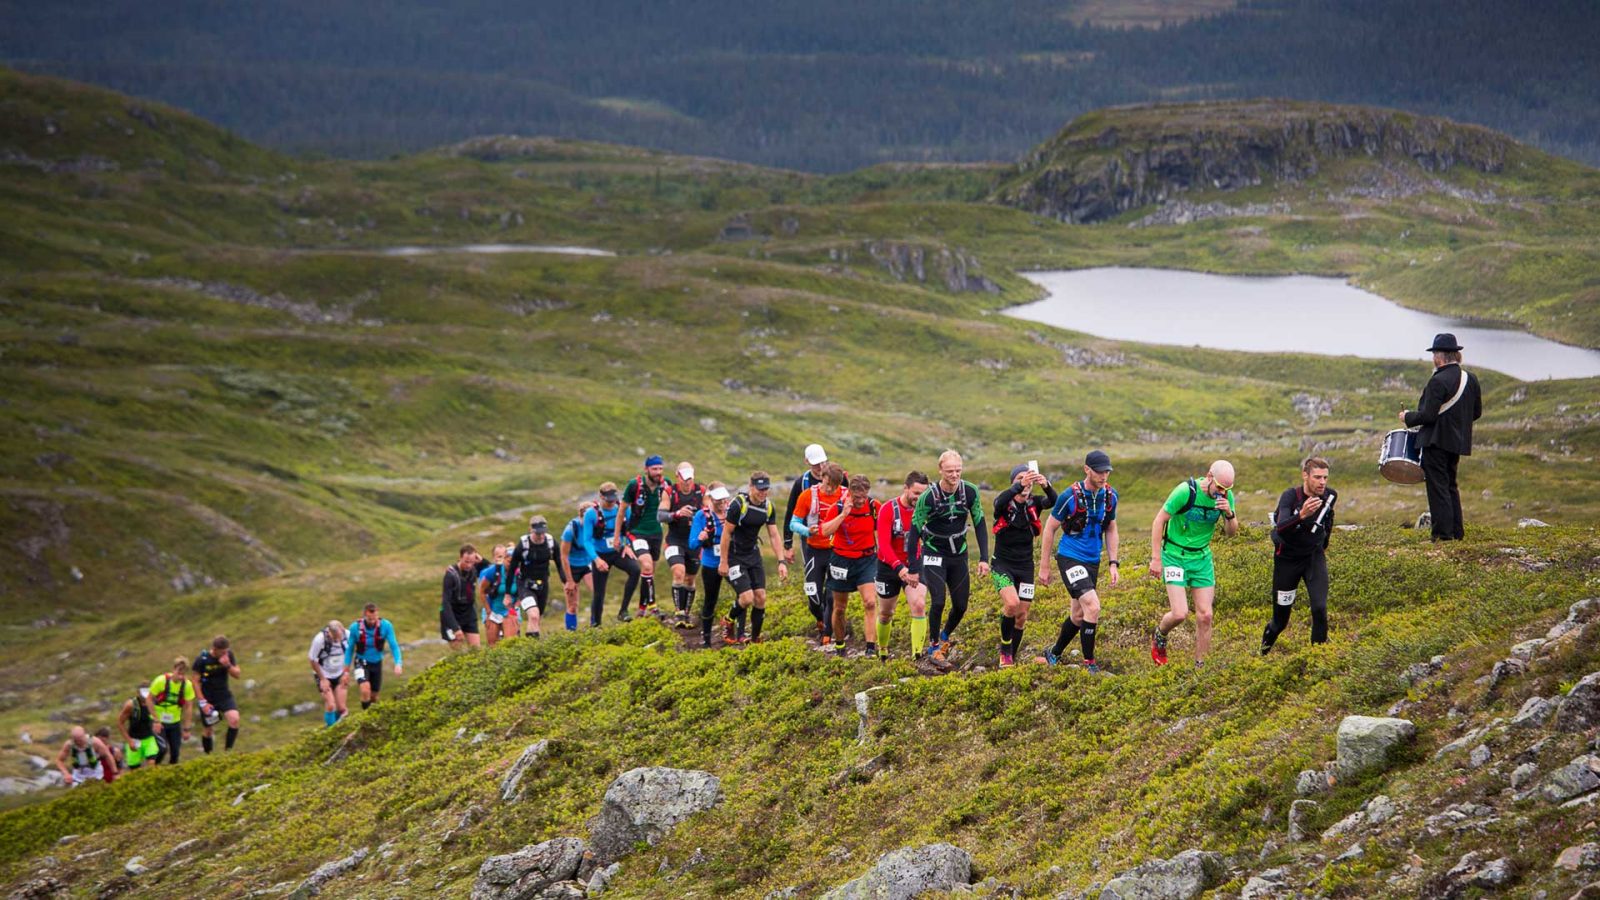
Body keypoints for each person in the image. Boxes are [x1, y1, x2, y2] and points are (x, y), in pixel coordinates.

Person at [1148, 461, 1239, 668]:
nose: (1222, 492)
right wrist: (1156, 558)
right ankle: (1160, 635)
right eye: (1220, 487)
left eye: (1228, 489)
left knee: (1206, 615)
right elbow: (1159, 520)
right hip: (1174, 555)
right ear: (1209, 477)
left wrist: (1229, 514)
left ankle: (1200, 667)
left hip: (1201, 558)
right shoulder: (1185, 491)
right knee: (1180, 613)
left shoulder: (1226, 497)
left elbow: (1231, 533)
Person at [904, 450, 989, 666]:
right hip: (934, 553)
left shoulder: (969, 491)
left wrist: (984, 558)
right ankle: (933, 647)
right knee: (939, 600)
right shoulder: (928, 497)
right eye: (950, 471)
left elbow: (979, 521)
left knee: (961, 605)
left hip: (958, 554)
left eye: (958, 470)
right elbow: (914, 530)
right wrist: (913, 568)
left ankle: (944, 637)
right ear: (940, 470)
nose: (954, 475)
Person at [1038, 451, 1119, 673]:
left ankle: (1053, 653)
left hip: (1093, 560)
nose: (1104, 476)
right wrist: (1044, 567)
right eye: (1099, 472)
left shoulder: (1111, 496)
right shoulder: (1069, 496)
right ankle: (1090, 664)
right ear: (1087, 470)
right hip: (1070, 557)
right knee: (1093, 606)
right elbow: (1050, 528)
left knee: (1078, 615)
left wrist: (1113, 562)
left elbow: (1111, 528)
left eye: (1107, 472)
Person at [1400, 333, 1483, 542]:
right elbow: (1476, 412)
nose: (1433, 358)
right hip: (1456, 443)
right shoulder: (1470, 379)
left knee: (1438, 489)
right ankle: (1457, 532)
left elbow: (1428, 415)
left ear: (1440, 356)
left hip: (1435, 442)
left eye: (1434, 353)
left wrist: (1407, 416)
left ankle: (1442, 535)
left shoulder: (1437, 381)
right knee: (1450, 486)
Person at [1262, 457, 1336, 654]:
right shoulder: (1290, 497)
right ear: (1305, 475)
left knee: (1319, 609)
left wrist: (1322, 544)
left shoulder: (1329, 496)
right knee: (1280, 621)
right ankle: (1262, 653)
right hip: (1287, 562)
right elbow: (1281, 528)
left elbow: (1328, 520)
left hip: (1313, 558)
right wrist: (1301, 515)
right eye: (1317, 477)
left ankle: (1317, 658)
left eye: (1325, 478)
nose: (1322, 482)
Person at [990, 463, 1057, 669]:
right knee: (1011, 603)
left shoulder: (1035, 503)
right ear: (1013, 482)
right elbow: (997, 501)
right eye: (1020, 477)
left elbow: (1054, 501)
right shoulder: (1004, 503)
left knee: (1021, 615)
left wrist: (1046, 485)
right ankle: (1005, 649)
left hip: (1025, 566)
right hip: (1002, 564)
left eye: (1028, 477)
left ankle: (1012, 657)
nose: (1025, 481)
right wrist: (1019, 485)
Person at [718, 472, 790, 643]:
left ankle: (756, 638)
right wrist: (723, 561)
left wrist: (781, 561)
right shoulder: (738, 505)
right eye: (759, 489)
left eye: (765, 489)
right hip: (735, 555)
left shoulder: (768, 507)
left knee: (761, 597)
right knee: (746, 598)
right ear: (751, 487)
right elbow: (726, 534)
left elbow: (773, 535)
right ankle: (728, 620)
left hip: (753, 554)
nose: (762, 492)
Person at [819, 474, 882, 657]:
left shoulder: (873, 506)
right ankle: (839, 645)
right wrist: (843, 514)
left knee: (870, 602)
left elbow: (883, 530)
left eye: (863, 497)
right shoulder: (838, 507)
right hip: (841, 560)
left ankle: (870, 648)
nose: (860, 501)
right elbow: (825, 531)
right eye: (856, 498)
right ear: (850, 493)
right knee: (839, 607)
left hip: (866, 559)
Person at [875, 471, 932, 661]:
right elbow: (883, 544)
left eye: (923, 494)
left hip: (915, 564)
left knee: (919, 604)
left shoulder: (927, 509)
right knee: (885, 613)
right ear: (906, 488)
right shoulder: (888, 509)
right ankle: (883, 649)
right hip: (888, 567)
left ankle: (918, 654)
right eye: (916, 493)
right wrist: (899, 568)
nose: (919, 498)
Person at [791, 462, 847, 646]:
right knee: (813, 595)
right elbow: (793, 523)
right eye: (828, 484)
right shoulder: (808, 495)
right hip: (814, 550)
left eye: (835, 486)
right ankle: (820, 618)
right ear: (822, 478)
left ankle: (827, 634)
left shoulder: (845, 495)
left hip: (836, 551)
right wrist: (808, 530)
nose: (831, 489)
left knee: (832, 596)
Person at [782, 443, 834, 637]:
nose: (820, 469)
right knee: (813, 588)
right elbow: (790, 515)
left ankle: (829, 628)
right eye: (815, 465)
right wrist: (787, 545)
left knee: (833, 588)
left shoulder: (838, 478)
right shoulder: (801, 483)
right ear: (807, 463)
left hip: (833, 539)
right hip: (809, 539)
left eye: (822, 463)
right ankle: (820, 617)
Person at [618, 455, 669, 616]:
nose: (658, 472)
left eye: (660, 468)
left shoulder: (666, 484)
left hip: (656, 533)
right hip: (637, 533)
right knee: (646, 565)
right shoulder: (634, 485)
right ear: (646, 469)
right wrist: (617, 538)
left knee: (649, 573)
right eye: (654, 469)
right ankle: (653, 607)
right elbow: (621, 512)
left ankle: (641, 609)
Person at [659, 461, 706, 629]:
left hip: (694, 542)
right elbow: (660, 516)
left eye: (690, 478)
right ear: (677, 476)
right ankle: (678, 612)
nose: (687, 482)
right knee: (679, 572)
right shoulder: (670, 492)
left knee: (690, 579)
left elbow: (710, 511)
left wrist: (699, 517)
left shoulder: (701, 491)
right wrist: (677, 514)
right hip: (674, 539)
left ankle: (686, 612)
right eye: (684, 478)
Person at [586, 483, 642, 623]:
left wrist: (628, 545)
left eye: (613, 499)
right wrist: (597, 560)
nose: (611, 503)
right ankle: (596, 625)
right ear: (601, 496)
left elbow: (630, 529)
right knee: (599, 593)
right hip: (600, 554)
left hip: (618, 551)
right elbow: (586, 540)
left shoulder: (623, 509)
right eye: (607, 500)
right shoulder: (591, 514)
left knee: (635, 570)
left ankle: (623, 610)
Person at [690, 483, 735, 646]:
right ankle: (706, 639)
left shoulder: (732, 510)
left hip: (731, 562)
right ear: (710, 498)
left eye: (724, 498)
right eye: (718, 500)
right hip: (710, 564)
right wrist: (701, 537)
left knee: (743, 593)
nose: (722, 502)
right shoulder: (701, 516)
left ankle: (736, 629)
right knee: (710, 600)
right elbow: (692, 544)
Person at [346, 603, 403, 709]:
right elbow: (349, 649)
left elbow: (394, 646)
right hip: (361, 661)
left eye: (374, 618)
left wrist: (398, 663)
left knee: (374, 696)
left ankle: (372, 715)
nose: (372, 621)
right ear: (364, 616)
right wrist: (346, 671)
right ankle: (365, 717)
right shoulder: (355, 627)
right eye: (369, 619)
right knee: (365, 689)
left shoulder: (386, 626)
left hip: (377, 663)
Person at [193, 635, 243, 753]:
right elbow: (195, 681)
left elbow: (237, 674)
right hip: (208, 698)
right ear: (214, 649)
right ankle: (209, 756)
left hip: (224, 695)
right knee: (208, 729)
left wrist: (227, 665)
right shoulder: (202, 659)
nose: (225, 654)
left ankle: (228, 752)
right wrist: (202, 702)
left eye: (226, 651)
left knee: (234, 720)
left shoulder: (228, 655)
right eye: (222, 652)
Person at [509, 515, 555, 634]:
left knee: (537, 618)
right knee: (533, 615)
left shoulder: (550, 542)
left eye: (542, 533)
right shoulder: (523, 545)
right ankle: (533, 648)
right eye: (537, 533)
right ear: (531, 530)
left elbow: (560, 563)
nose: (540, 536)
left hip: (542, 585)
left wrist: (567, 581)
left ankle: (532, 647)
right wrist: (507, 594)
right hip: (525, 585)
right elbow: (512, 569)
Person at [560, 501, 601, 628]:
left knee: (598, 594)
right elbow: (564, 556)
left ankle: (594, 627)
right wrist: (570, 580)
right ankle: (571, 635)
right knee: (573, 605)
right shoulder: (570, 531)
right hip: (571, 567)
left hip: (588, 564)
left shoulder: (596, 526)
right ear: (581, 516)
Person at [148, 659, 195, 764]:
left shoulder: (187, 685)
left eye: (183, 674)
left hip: (174, 723)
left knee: (175, 753)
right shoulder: (161, 681)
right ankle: (153, 769)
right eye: (179, 673)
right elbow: (149, 699)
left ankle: (171, 773)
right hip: (158, 722)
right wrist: (156, 720)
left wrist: (187, 728)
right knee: (162, 748)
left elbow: (188, 707)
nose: (180, 677)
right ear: (173, 669)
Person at [441, 544, 483, 650]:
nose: (469, 565)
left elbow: (495, 569)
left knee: (476, 651)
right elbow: (445, 603)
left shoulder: (474, 568)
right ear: (460, 558)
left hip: (468, 613)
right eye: (466, 562)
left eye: (472, 562)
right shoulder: (450, 575)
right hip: (453, 614)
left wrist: (481, 560)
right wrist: (455, 628)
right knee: (457, 653)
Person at [477, 544, 521, 646]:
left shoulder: (519, 572)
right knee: (493, 645)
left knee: (509, 643)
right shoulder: (493, 571)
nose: (511, 564)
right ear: (504, 559)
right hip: (493, 609)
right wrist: (488, 611)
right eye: (509, 561)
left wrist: (516, 607)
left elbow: (523, 592)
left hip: (510, 609)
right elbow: (482, 591)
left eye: (514, 561)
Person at [309, 620, 349, 727]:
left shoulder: (348, 635)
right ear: (329, 632)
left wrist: (346, 673)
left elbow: (351, 654)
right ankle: (331, 731)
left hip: (340, 673)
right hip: (323, 674)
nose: (337, 640)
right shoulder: (320, 640)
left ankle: (336, 727)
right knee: (331, 705)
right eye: (334, 638)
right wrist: (322, 679)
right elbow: (312, 660)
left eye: (339, 637)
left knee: (342, 709)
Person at [117, 685, 162, 770]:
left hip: (149, 738)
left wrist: (157, 723)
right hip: (134, 739)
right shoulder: (131, 705)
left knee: (152, 764)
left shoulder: (153, 702)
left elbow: (158, 716)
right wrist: (129, 741)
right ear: (138, 693)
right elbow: (120, 723)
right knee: (134, 769)